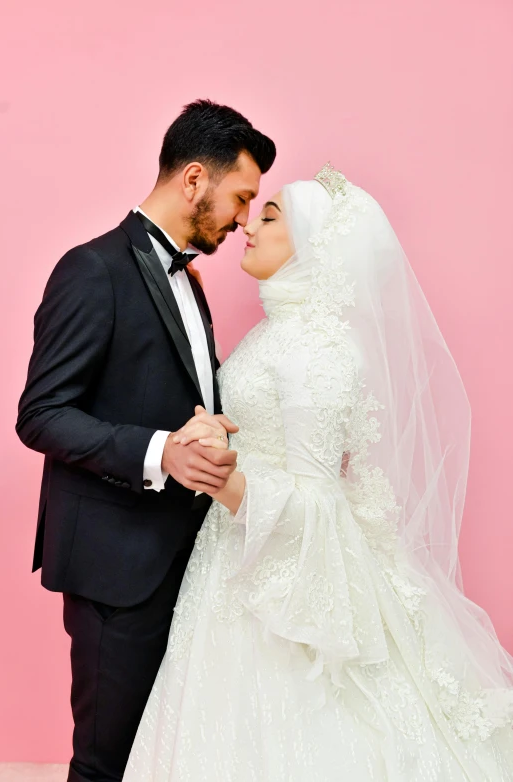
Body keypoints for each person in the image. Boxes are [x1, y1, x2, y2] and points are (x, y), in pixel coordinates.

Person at [123, 164, 513, 781]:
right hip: (238, 556)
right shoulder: (281, 333)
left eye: (270, 216)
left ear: (316, 248)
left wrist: (220, 477)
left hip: (285, 577)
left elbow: (318, 502)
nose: (249, 226)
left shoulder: (319, 351)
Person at [15, 99, 276, 782]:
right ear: (195, 179)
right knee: (106, 761)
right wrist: (162, 451)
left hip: (187, 563)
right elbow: (41, 412)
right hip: (116, 568)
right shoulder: (91, 270)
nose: (244, 218)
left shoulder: (189, 278)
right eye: (241, 196)